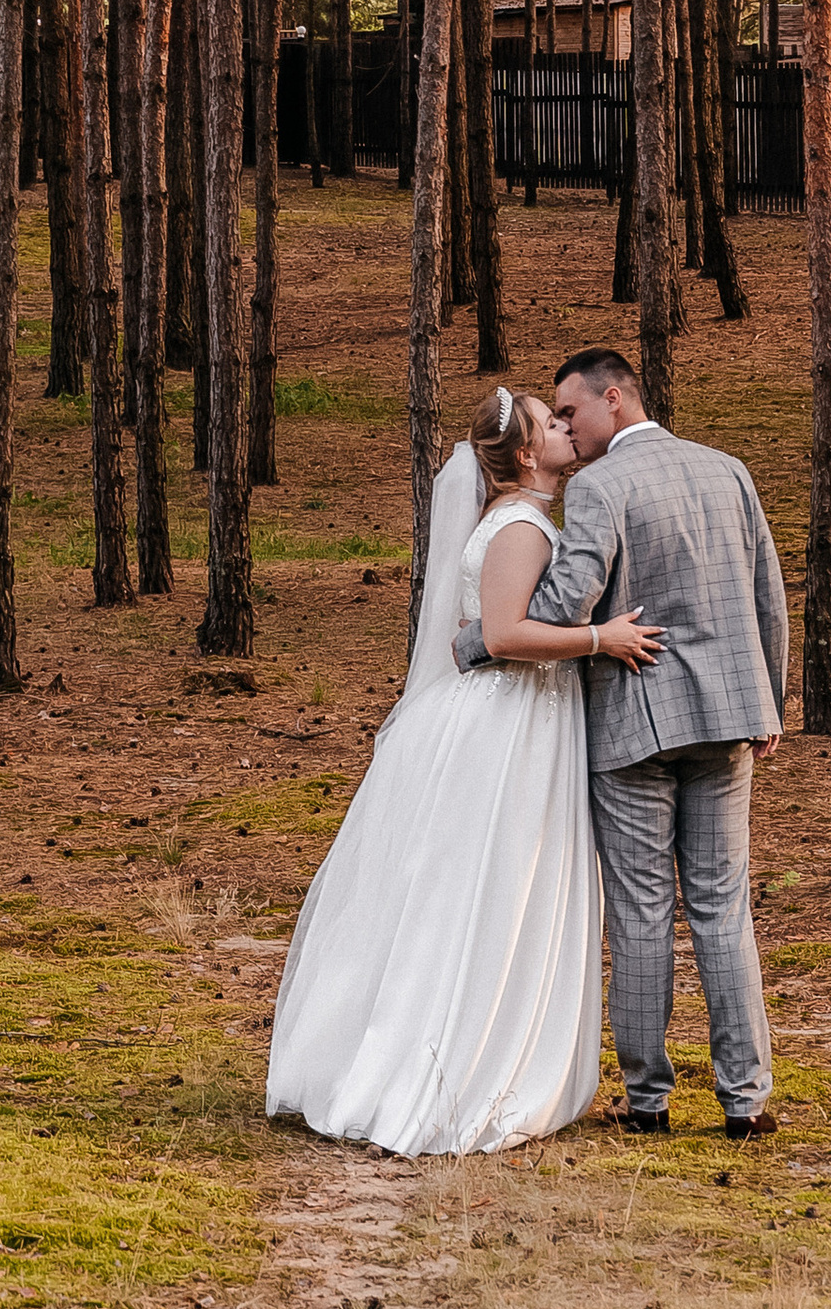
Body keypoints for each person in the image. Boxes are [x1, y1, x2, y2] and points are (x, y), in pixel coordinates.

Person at [265, 386, 663, 1157]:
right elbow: (508, 634)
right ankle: (459, 1065)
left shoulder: (520, 520)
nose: (565, 430)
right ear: (523, 454)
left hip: (518, 718)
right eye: (552, 424)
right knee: (493, 882)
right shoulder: (520, 524)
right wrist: (600, 638)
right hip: (510, 723)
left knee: (483, 884)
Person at [460, 345, 787, 1139]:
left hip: (635, 725)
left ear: (615, 399)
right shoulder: (728, 469)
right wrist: (770, 699)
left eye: (571, 412)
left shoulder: (603, 487)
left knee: (641, 913)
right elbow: (766, 591)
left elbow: (569, 603)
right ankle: (744, 1098)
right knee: (721, 908)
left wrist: (480, 640)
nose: (566, 426)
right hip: (729, 722)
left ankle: (650, 1100)